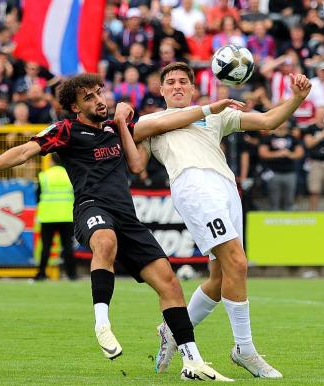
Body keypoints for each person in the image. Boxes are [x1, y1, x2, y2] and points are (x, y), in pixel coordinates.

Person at [0, 73, 243, 381]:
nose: (98, 100)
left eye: (99, 93)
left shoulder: (117, 128)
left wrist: (206, 109)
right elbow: (25, 151)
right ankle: (102, 323)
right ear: (75, 107)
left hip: (127, 218)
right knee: (104, 241)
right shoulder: (65, 130)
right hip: (91, 208)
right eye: (88, 98)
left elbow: (150, 145)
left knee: (170, 283)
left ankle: (192, 361)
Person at [133, 62, 312, 379]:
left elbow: (269, 120)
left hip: (227, 188)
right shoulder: (152, 120)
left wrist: (295, 98)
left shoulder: (215, 115)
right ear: (160, 90)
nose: (177, 86)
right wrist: (204, 108)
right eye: (170, 82)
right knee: (238, 264)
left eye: (183, 82)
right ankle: (244, 349)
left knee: (220, 279)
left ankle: (173, 330)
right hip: (194, 187)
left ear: (192, 88)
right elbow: (136, 151)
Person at [34, 153, 77, 281]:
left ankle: (41, 274)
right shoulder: (70, 174)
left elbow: (37, 197)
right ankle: (72, 274)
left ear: (51, 161)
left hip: (48, 216)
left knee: (46, 247)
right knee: (68, 246)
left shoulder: (44, 176)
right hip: (66, 215)